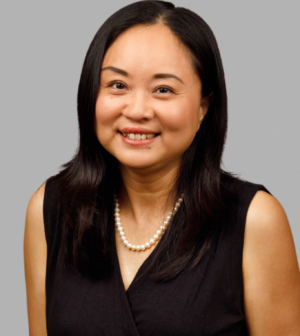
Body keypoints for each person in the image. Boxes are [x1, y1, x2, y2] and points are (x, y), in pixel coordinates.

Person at [24, 1, 300, 335]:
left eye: (163, 89)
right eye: (118, 85)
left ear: (204, 106)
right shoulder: (51, 209)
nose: (137, 110)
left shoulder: (255, 220)